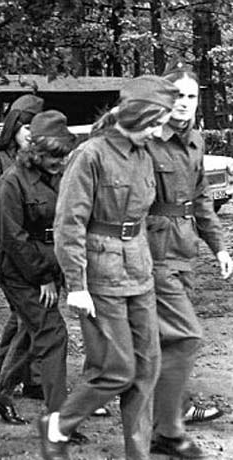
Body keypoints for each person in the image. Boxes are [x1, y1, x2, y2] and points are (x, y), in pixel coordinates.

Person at [40, 75, 179, 460]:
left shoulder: (143, 154)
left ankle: (138, 454)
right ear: (136, 116)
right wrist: (76, 284)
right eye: (154, 123)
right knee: (117, 369)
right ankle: (59, 425)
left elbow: (143, 217)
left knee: (147, 368)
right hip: (100, 275)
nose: (157, 132)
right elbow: (69, 223)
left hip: (139, 272)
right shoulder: (90, 155)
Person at [147, 62, 232, 458]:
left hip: (184, 251)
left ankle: (163, 420)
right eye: (177, 95)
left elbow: (200, 201)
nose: (183, 103)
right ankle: (168, 427)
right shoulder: (147, 140)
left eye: (191, 96)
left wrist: (219, 247)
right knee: (185, 335)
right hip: (153, 251)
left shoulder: (195, 141)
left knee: (165, 340)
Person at [0, 110, 75, 425]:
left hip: (51, 263)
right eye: (52, 155)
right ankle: (58, 418)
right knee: (53, 334)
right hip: (20, 271)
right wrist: (43, 277)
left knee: (29, 333)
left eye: (62, 155)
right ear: (34, 150)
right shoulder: (10, 183)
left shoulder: (60, 177)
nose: (58, 162)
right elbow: (13, 238)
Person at [0, 94, 46, 400]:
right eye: (26, 127)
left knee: (27, 312)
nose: (31, 133)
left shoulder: (38, 160)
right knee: (28, 311)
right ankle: (22, 375)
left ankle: (14, 370)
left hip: (33, 249)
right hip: (6, 249)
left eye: (36, 128)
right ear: (13, 126)